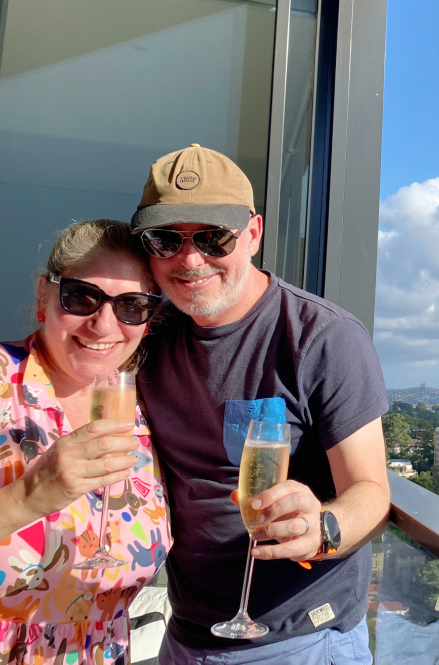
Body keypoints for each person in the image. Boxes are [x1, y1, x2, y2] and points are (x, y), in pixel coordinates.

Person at [133, 144, 390, 664]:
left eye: (213, 236)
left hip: (300, 640)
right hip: (184, 633)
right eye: (166, 239)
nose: (189, 259)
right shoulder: (145, 334)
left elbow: (371, 492)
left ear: (253, 234)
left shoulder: (323, 338)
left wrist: (321, 528)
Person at [0, 219, 171, 664]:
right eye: (82, 297)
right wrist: (27, 497)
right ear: (44, 296)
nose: (103, 324)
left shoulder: (149, 411)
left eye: (132, 305)